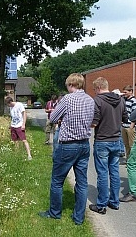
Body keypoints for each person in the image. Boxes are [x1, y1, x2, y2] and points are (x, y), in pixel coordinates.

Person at [38, 73, 94, 225]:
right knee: (82, 182)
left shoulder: (67, 99)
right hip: (84, 144)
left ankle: (54, 213)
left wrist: (64, 118)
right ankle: (78, 217)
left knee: (57, 180)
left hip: (68, 144)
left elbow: (53, 118)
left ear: (71, 85)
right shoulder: (90, 99)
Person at [89, 78, 128, 215]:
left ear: (99, 87)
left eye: (94, 89)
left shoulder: (98, 100)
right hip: (116, 140)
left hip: (102, 141)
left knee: (102, 174)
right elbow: (125, 119)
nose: (95, 92)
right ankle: (115, 201)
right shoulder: (121, 100)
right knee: (114, 172)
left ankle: (101, 205)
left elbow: (94, 122)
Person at [5, 96, 32, 160]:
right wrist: (10, 125)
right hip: (13, 126)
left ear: (10, 102)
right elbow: (13, 117)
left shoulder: (19, 105)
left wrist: (23, 124)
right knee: (15, 140)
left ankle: (29, 155)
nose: (8, 106)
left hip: (19, 125)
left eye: (8, 104)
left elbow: (24, 114)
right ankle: (17, 154)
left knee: (24, 140)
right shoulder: (11, 107)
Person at [120, 85, 136, 165]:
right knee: (126, 145)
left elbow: (135, 114)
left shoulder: (134, 101)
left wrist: (132, 125)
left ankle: (134, 161)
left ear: (131, 91)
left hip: (130, 126)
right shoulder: (123, 100)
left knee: (132, 145)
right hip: (123, 126)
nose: (124, 94)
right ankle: (128, 160)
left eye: (126, 92)